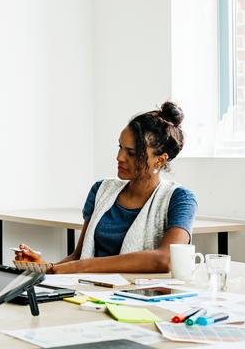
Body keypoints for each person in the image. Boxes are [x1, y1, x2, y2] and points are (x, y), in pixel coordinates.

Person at [16, 102, 198, 274]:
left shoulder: (180, 199)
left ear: (160, 160)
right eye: (120, 147)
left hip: (137, 299)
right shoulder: (101, 190)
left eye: (132, 153)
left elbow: (165, 259)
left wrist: (83, 266)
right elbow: (78, 257)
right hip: (88, 295)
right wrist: (46, 267)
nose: (120, 157)